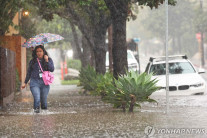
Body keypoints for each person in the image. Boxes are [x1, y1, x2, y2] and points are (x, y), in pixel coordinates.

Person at [21, 45, 54, 113]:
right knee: (37, 98)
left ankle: (44, 116)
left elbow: (52, 69)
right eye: (37, 51)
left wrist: (47, 60)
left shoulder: (48, 59)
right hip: (34, 82)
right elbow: (29, 72)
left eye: (40, 51)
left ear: (43, 51)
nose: (39, 53)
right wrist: (25, 82)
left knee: (44, 101)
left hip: (45, 83)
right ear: (35, 53)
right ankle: (36, 116)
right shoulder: (33, 61)